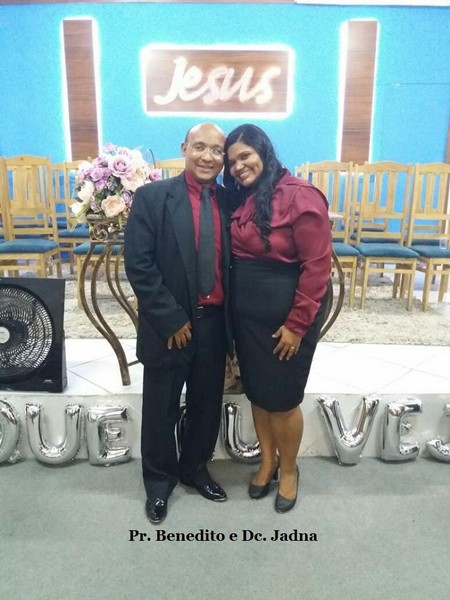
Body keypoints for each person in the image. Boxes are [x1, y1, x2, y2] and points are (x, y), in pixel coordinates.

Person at [124, 123, 233, 524]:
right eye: (200, 147)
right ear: (184, 147)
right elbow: (139, 264)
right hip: (168, 325)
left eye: (217, 150)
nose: (208, 156)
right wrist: (170, 317)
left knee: (206, 405)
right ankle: (158, 482)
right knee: (160, 408)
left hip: (215, 323)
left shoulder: (231, 201)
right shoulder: (153, 198)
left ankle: (195, 468)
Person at [223, 124, 332, 513]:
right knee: (258, 393)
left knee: (283, 400)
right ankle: (267, 462)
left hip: (288, 317)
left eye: (245, 156)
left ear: (264, 152)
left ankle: (288, 470)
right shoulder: (243, 198)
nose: (238, 166)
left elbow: (317, 267)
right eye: (232, 161)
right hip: (248, 319)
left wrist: (297, 324)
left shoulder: (300, 196)